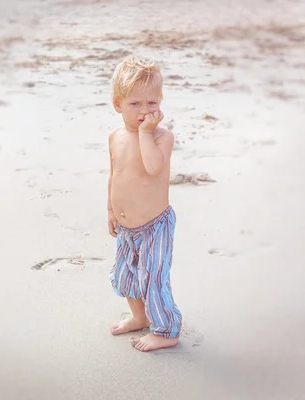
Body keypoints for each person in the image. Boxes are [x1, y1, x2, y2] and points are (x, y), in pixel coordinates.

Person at [107, 55, 182, 352]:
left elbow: (152, 168)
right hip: (127, 228)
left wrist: (144, 133)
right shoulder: (114, 137)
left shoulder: (162, 137)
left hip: (154, 226)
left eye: (151, 103)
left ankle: (166, 330)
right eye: (135, 104)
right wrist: (111, 210)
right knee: (126, 276)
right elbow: (115, 174)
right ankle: (139, 317)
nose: (144, 111)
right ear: (118, 104)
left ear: (160, 103)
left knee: (152, 279)